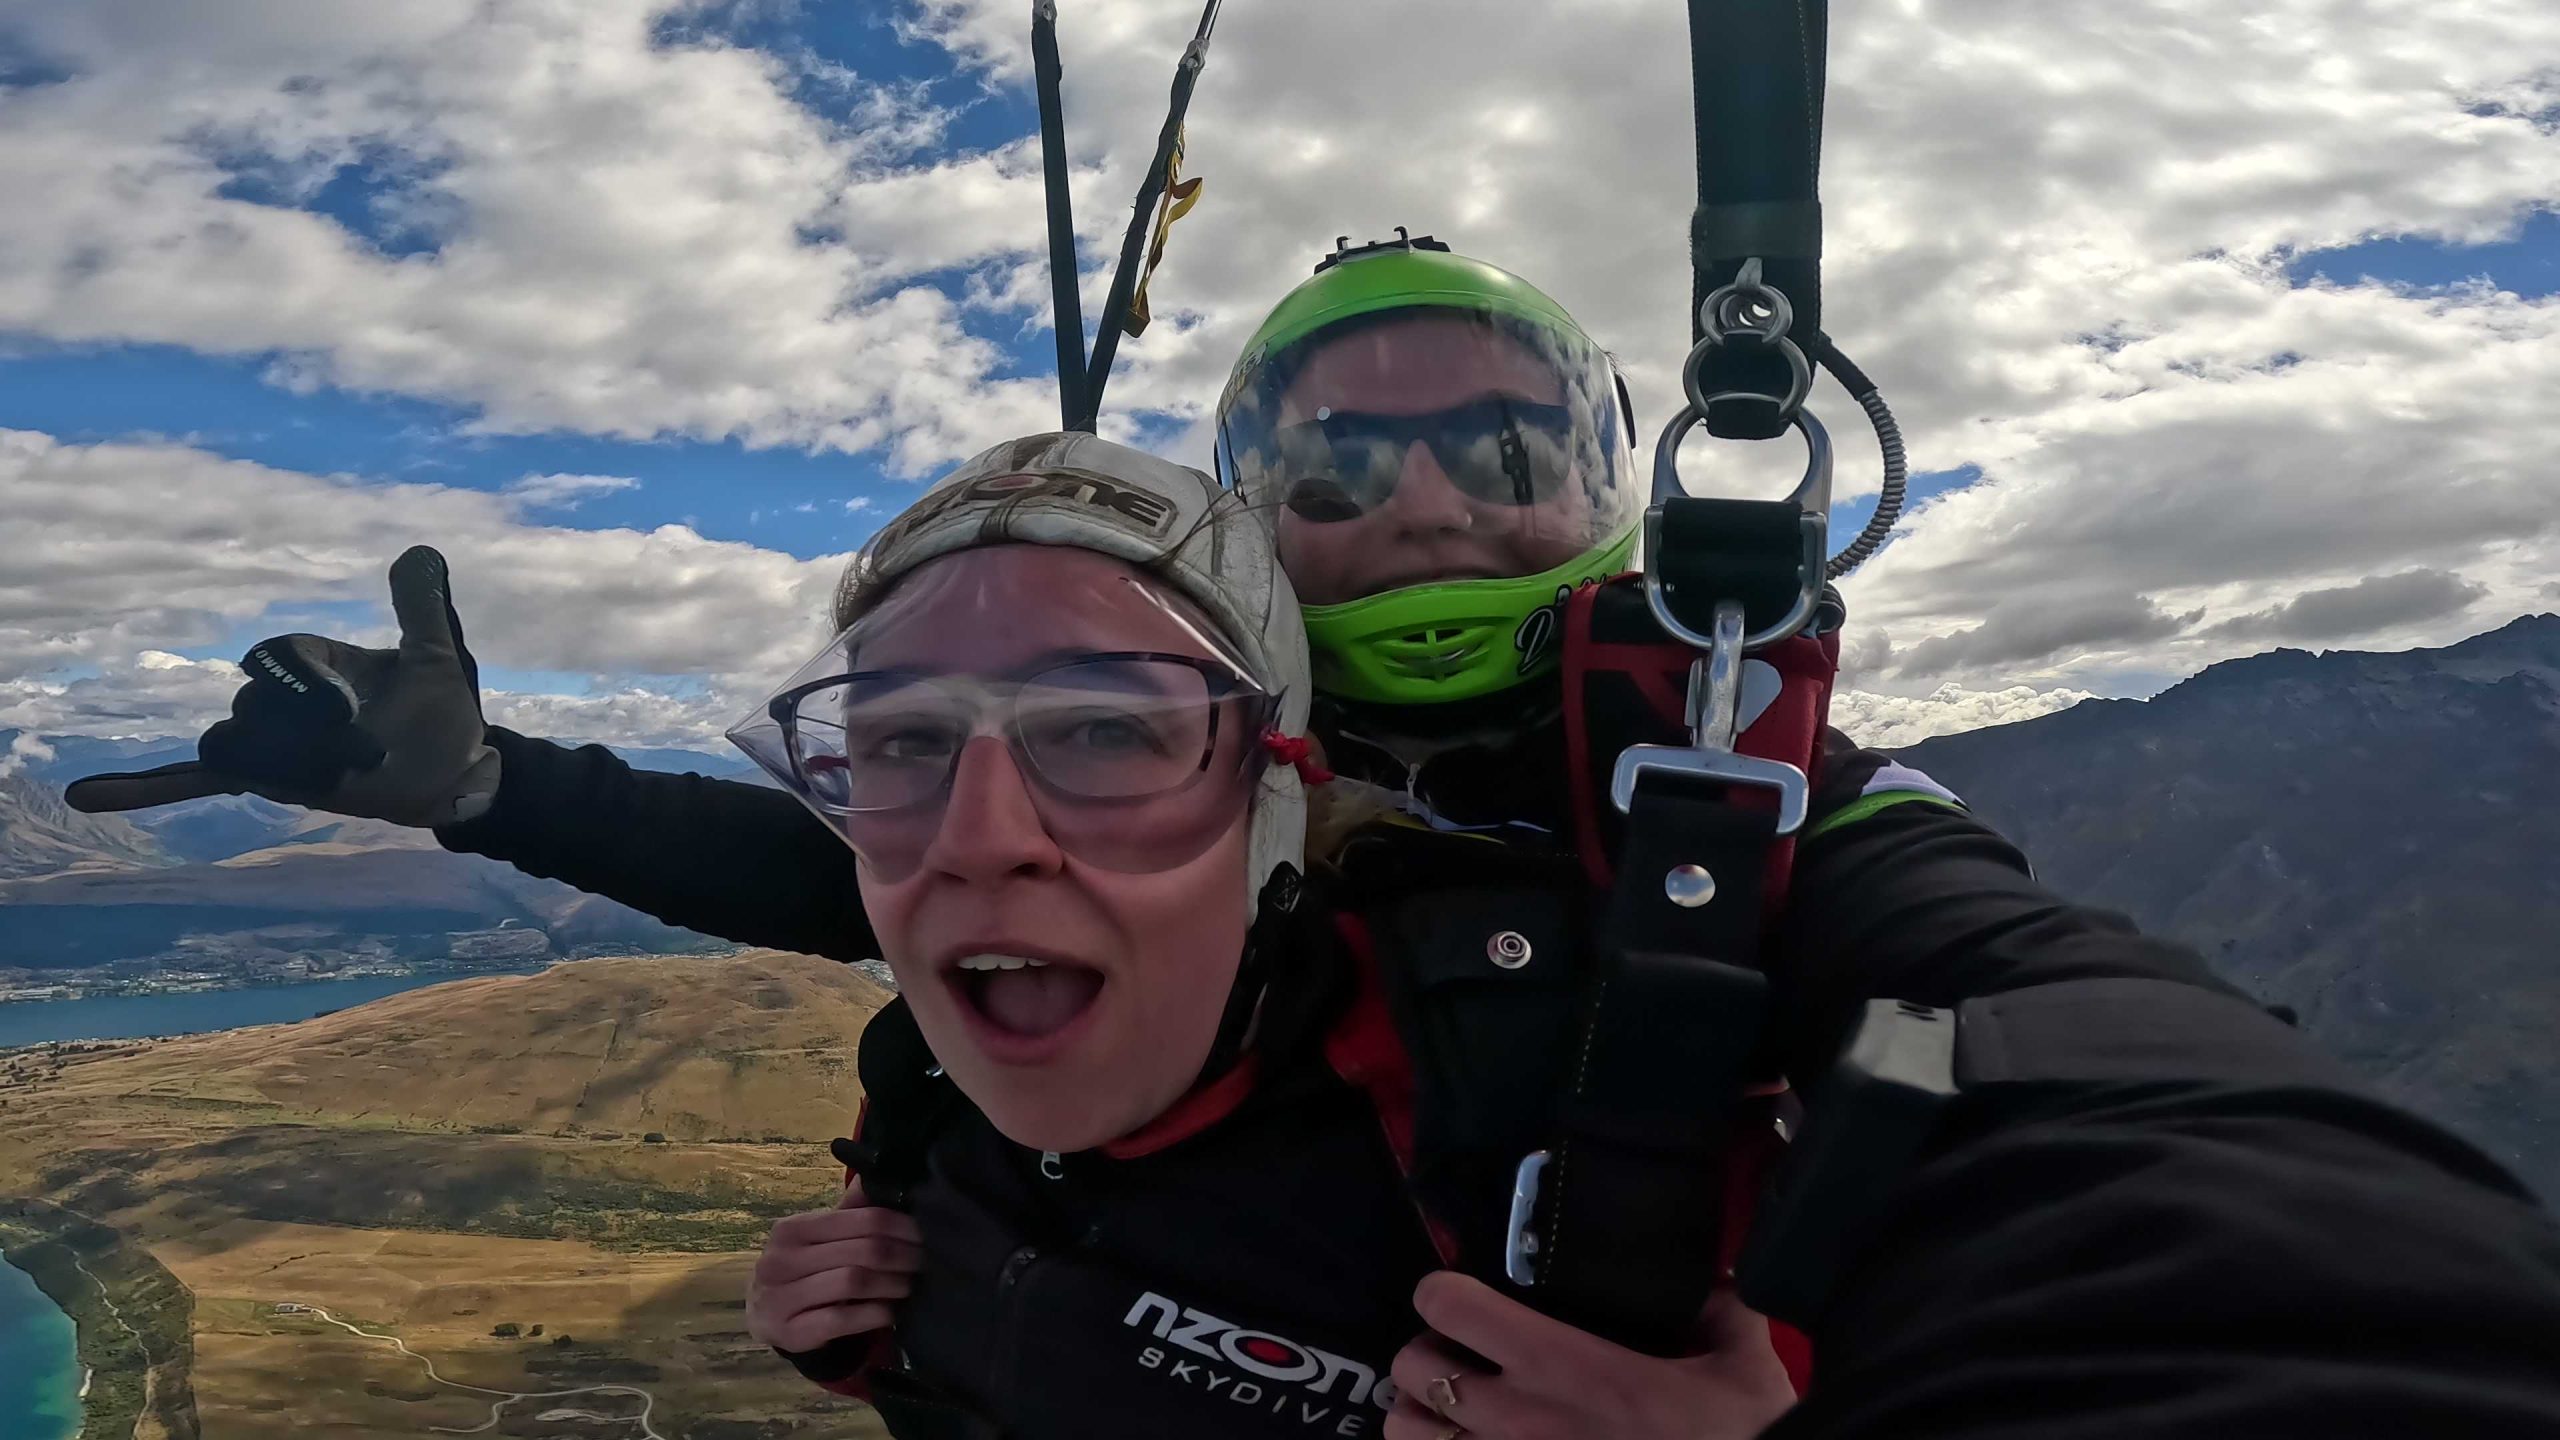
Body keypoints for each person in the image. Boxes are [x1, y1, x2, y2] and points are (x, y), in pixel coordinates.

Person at [68, 243, 2560, 1437]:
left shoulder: (1751, 815)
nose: (1426, 517)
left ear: (1604, 488)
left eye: (1499, 450)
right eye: (1334, 472)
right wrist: (498, 796)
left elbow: (2156, 1130)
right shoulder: (1130, 791)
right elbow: (834, 865)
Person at [726, 430, 1798, 1440]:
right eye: (905, 740)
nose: (979, 839)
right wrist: (845, 1345)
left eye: (1107, 730)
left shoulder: (1545, 1093)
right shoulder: (915, 1084)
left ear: (1275, 796)